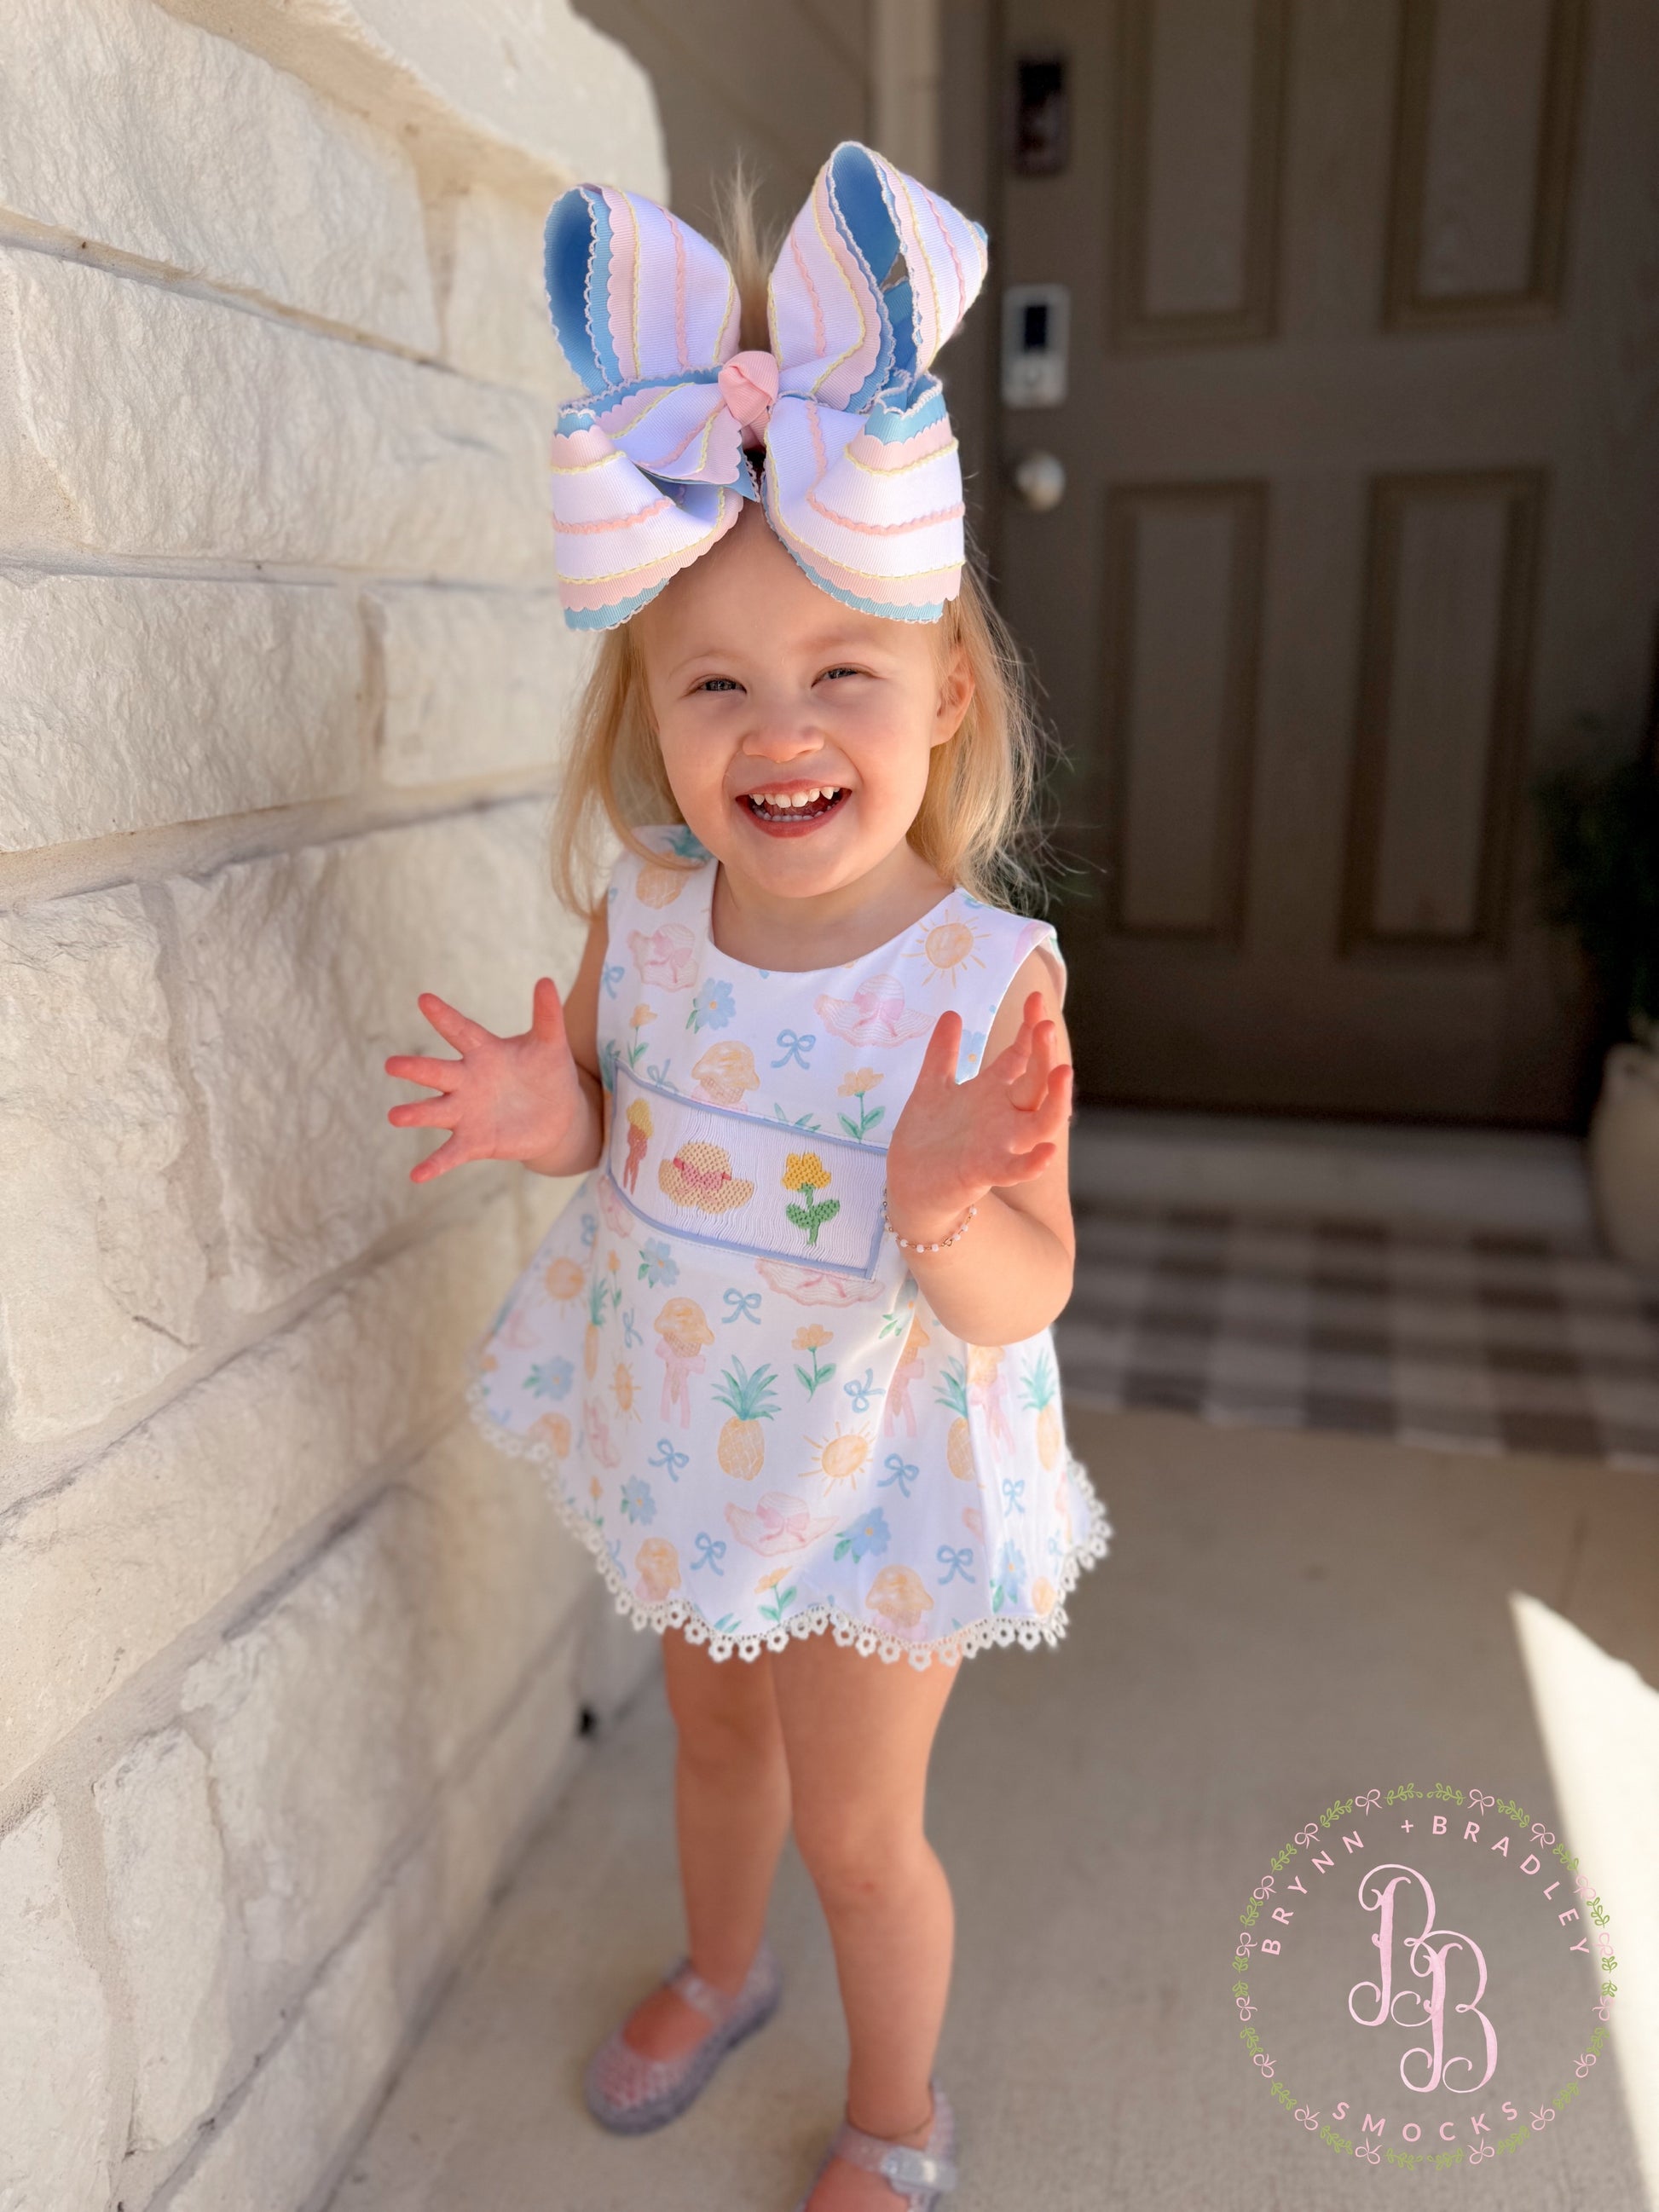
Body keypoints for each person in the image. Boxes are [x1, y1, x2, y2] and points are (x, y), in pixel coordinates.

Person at [384, 141, 1110, 2212]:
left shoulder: (977, 980)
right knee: (715, 1746)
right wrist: (550, 1115)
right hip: (687, 1421)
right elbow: (633, 1120)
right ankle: (720, 1967)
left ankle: (897, 2113)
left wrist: (943, 1197)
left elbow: (1026, 1292)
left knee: (860, 1828)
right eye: (718, 682)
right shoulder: (650, 909)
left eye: (840, 674)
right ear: (651, 705)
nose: (779, 731)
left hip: (873, 1467)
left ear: (943, 689)